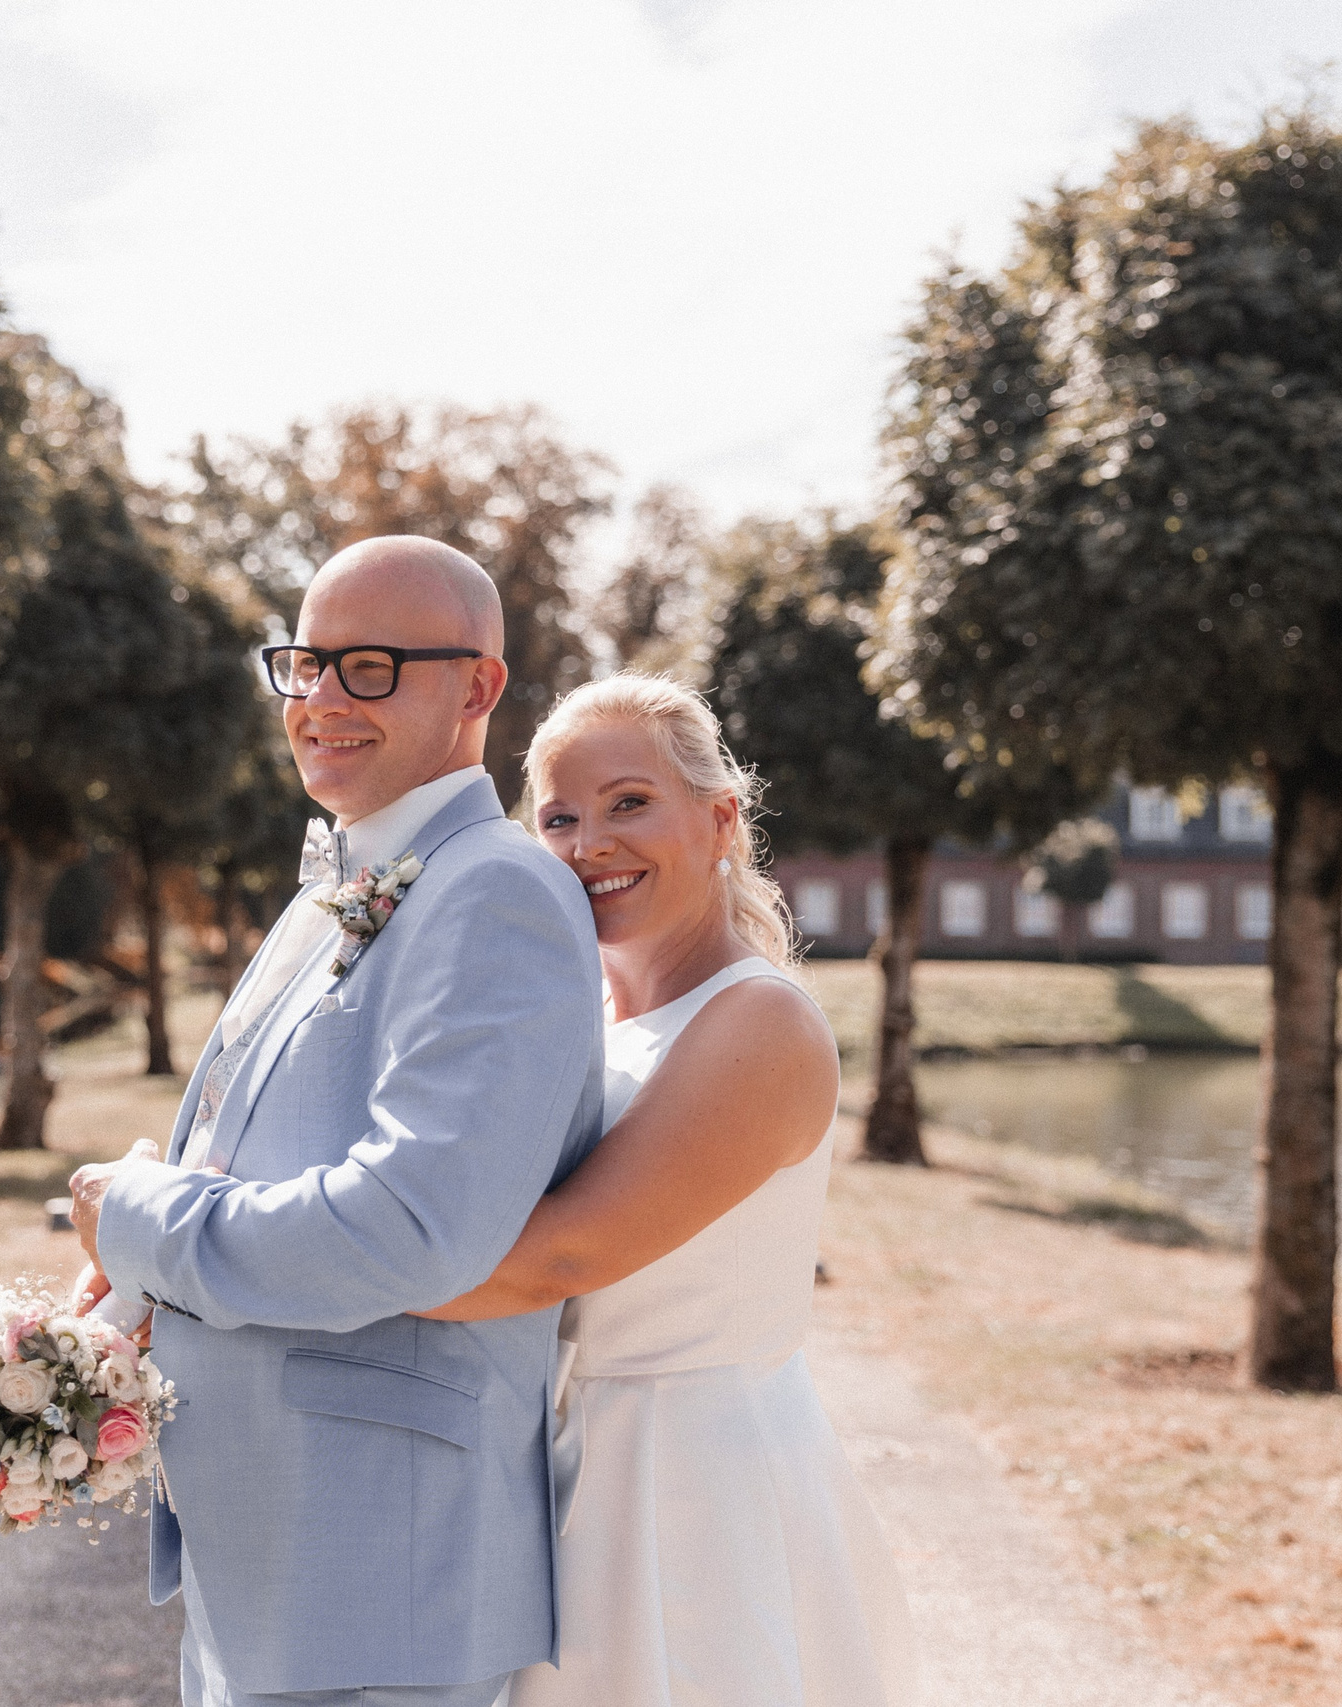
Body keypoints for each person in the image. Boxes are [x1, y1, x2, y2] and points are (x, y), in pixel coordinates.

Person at [67, 535, 606, 1707]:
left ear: (478, 686)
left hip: (380, 1565)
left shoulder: (497, 889)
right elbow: (245, 1150)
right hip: (270, 1551)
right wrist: (127, 1302)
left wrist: (142, 1223)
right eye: (304, 664)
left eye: (368, 667)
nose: (319, 701)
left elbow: (412, 1225)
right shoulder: (336, 884)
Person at [422, 672, 916, 1707]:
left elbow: (561, 1258)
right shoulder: (581, 1018)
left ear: (721, 820)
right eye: (558, 817)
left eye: (628, 804)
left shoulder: (758, 1024)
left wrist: (275, 1271)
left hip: (692, 1485)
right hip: (561, 1460)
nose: (589, 843)